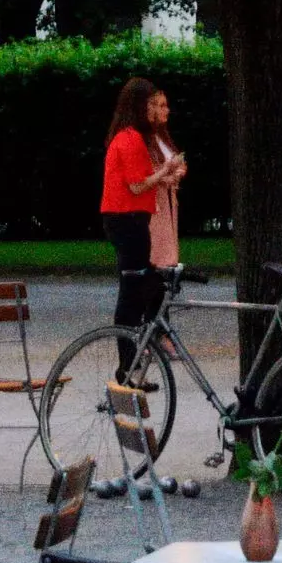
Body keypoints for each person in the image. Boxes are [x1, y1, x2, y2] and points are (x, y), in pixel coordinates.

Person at [100, 77, 185, 369]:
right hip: (128, 219)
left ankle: (140, 350)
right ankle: (129, 362)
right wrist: (164, 172)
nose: (154, 111)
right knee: (134, 288)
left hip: (131, 218)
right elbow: (137, 186)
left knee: (142, 282)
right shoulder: (130, 138)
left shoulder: (127, 136)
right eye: (150, 104)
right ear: (139, 106)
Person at [142, 83, 185, 270]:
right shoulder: (144, 139)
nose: (166, 110)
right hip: (155, 204)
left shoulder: (163, 137)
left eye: (165, 105)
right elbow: (145, 172)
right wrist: (165, 176)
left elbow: (176, 162)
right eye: (161, 106)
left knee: (168, 247)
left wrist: (179, 171)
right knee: (157, 250)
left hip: (168, 200)